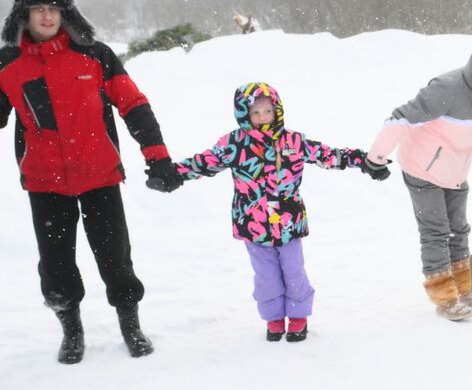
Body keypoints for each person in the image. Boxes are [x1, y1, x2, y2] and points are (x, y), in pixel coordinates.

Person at [0, 0, 184, 363]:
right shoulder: (8, 64)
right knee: (55, 264)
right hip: (44, 181)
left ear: (65, 12)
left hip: (99, 175)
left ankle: (129, 323)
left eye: (54, 9)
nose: (47, 16)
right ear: (24, 14)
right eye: (39, 9)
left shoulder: (95, 54)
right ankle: (71, 329)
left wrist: (158, 156)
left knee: (115, 256)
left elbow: (133, 104)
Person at [152, 82, 387, 341]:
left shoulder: (293, 141)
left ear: (277, 111)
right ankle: (273, 318)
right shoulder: (234, 144)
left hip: (289, 222)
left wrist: (364, 161)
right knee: (266, 277)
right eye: (255, 113)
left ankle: (298, 316)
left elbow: (327, 155)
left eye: (267, 111)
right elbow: (206, 161)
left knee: (293, 270)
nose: (262, 118)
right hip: (253, 223)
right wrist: (173, 174)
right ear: (244, 114)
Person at [362, 34, 472, 321]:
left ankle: (465, 289)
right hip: (422, 169)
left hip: (455, 172)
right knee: (436, 231)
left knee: (459, 229)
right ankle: (444, 297)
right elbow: (400, 119)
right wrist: (376, 158)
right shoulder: (446, 90)